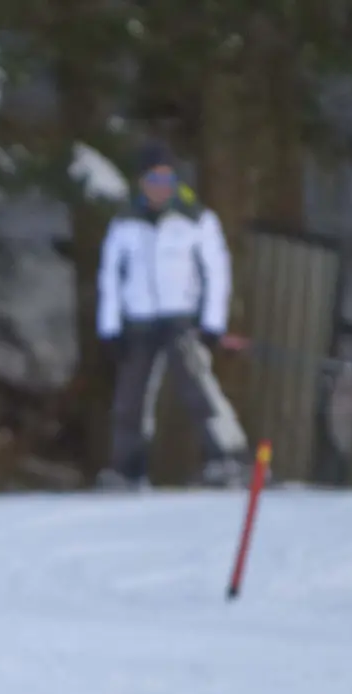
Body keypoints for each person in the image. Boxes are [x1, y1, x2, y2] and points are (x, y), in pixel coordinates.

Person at [95, 142, 252, 489]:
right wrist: (109, 328)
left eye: (167, 178)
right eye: (153, 178)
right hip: (139, 320)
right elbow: (109, 277)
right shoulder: (124, 223)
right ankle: (128, 469)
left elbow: (217, 272)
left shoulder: (195, 219)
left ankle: (229, 458)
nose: (160, 187)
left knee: (200, 392)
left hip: (182, 320)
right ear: (141, 182)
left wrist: (212, 322)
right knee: (130, 400)